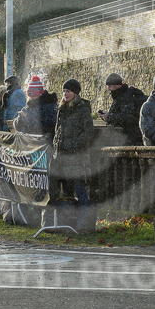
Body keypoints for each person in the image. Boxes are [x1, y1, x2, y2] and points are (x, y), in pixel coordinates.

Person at [53, 79, 95, 230]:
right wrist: (56, 148)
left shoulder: (83, 109)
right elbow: (57, 131)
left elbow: (88, 132)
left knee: (79, 188)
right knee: (66, 191)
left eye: (68, 91)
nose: (65, 94)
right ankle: (68, 222)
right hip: (61, 155)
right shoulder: (62, 109)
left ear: (75, 93)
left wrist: (73, 145)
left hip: (75, 156)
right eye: (64, 91)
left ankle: (85, 222)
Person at [97, 72, 147, 145]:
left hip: (129, 138)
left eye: (110, 86)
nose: (108, 89)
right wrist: (107, 114)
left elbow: (127, 117)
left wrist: (109, 117)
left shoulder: (125, 97)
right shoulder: (121, 95)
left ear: (116, 85)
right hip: (126, 137)